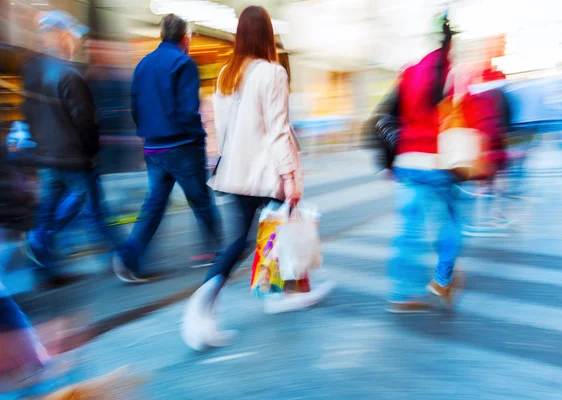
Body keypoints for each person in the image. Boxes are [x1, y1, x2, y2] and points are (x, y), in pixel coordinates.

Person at [181, 6, 333, 350]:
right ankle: (205, 305)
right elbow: (278, 131)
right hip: (265, 171)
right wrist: (290, 176)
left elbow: (220, 129)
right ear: (267, 34)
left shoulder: (225, 75)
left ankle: (265, 294)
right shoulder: (272, 73)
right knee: (269, 230)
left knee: (255, 236)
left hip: (235, 171)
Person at [113, 14, 222, 282]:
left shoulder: (143, 64)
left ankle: (129, 258)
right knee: (201, 200)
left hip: (154, 149)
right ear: (185, 38)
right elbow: (187, 111)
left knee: (154, 205)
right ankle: (216, 252)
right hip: (183, 147)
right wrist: (199, 137)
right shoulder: (184, 63)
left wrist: (147, 136)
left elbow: (135, 108)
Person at [20, 11, 122, 288]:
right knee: (91, 209)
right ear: (62, 36)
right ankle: (127, 259)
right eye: (74, 35)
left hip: (46, 156)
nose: (76, 41)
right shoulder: (70, 74)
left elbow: (28, 113)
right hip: (74, 157)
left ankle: (44, 266)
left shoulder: (32, 71)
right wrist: (92, 152)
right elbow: (85, 122)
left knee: (51, 209)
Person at [387, 14, 465, 313]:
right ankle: (442, 280)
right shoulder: (450, 72)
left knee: (407, 231)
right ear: (450, 44)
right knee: (452, 224)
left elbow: (394, 114)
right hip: (437, 162)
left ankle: (400, 293)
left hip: (407, 160)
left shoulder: (409, 72)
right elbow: (462, 116)